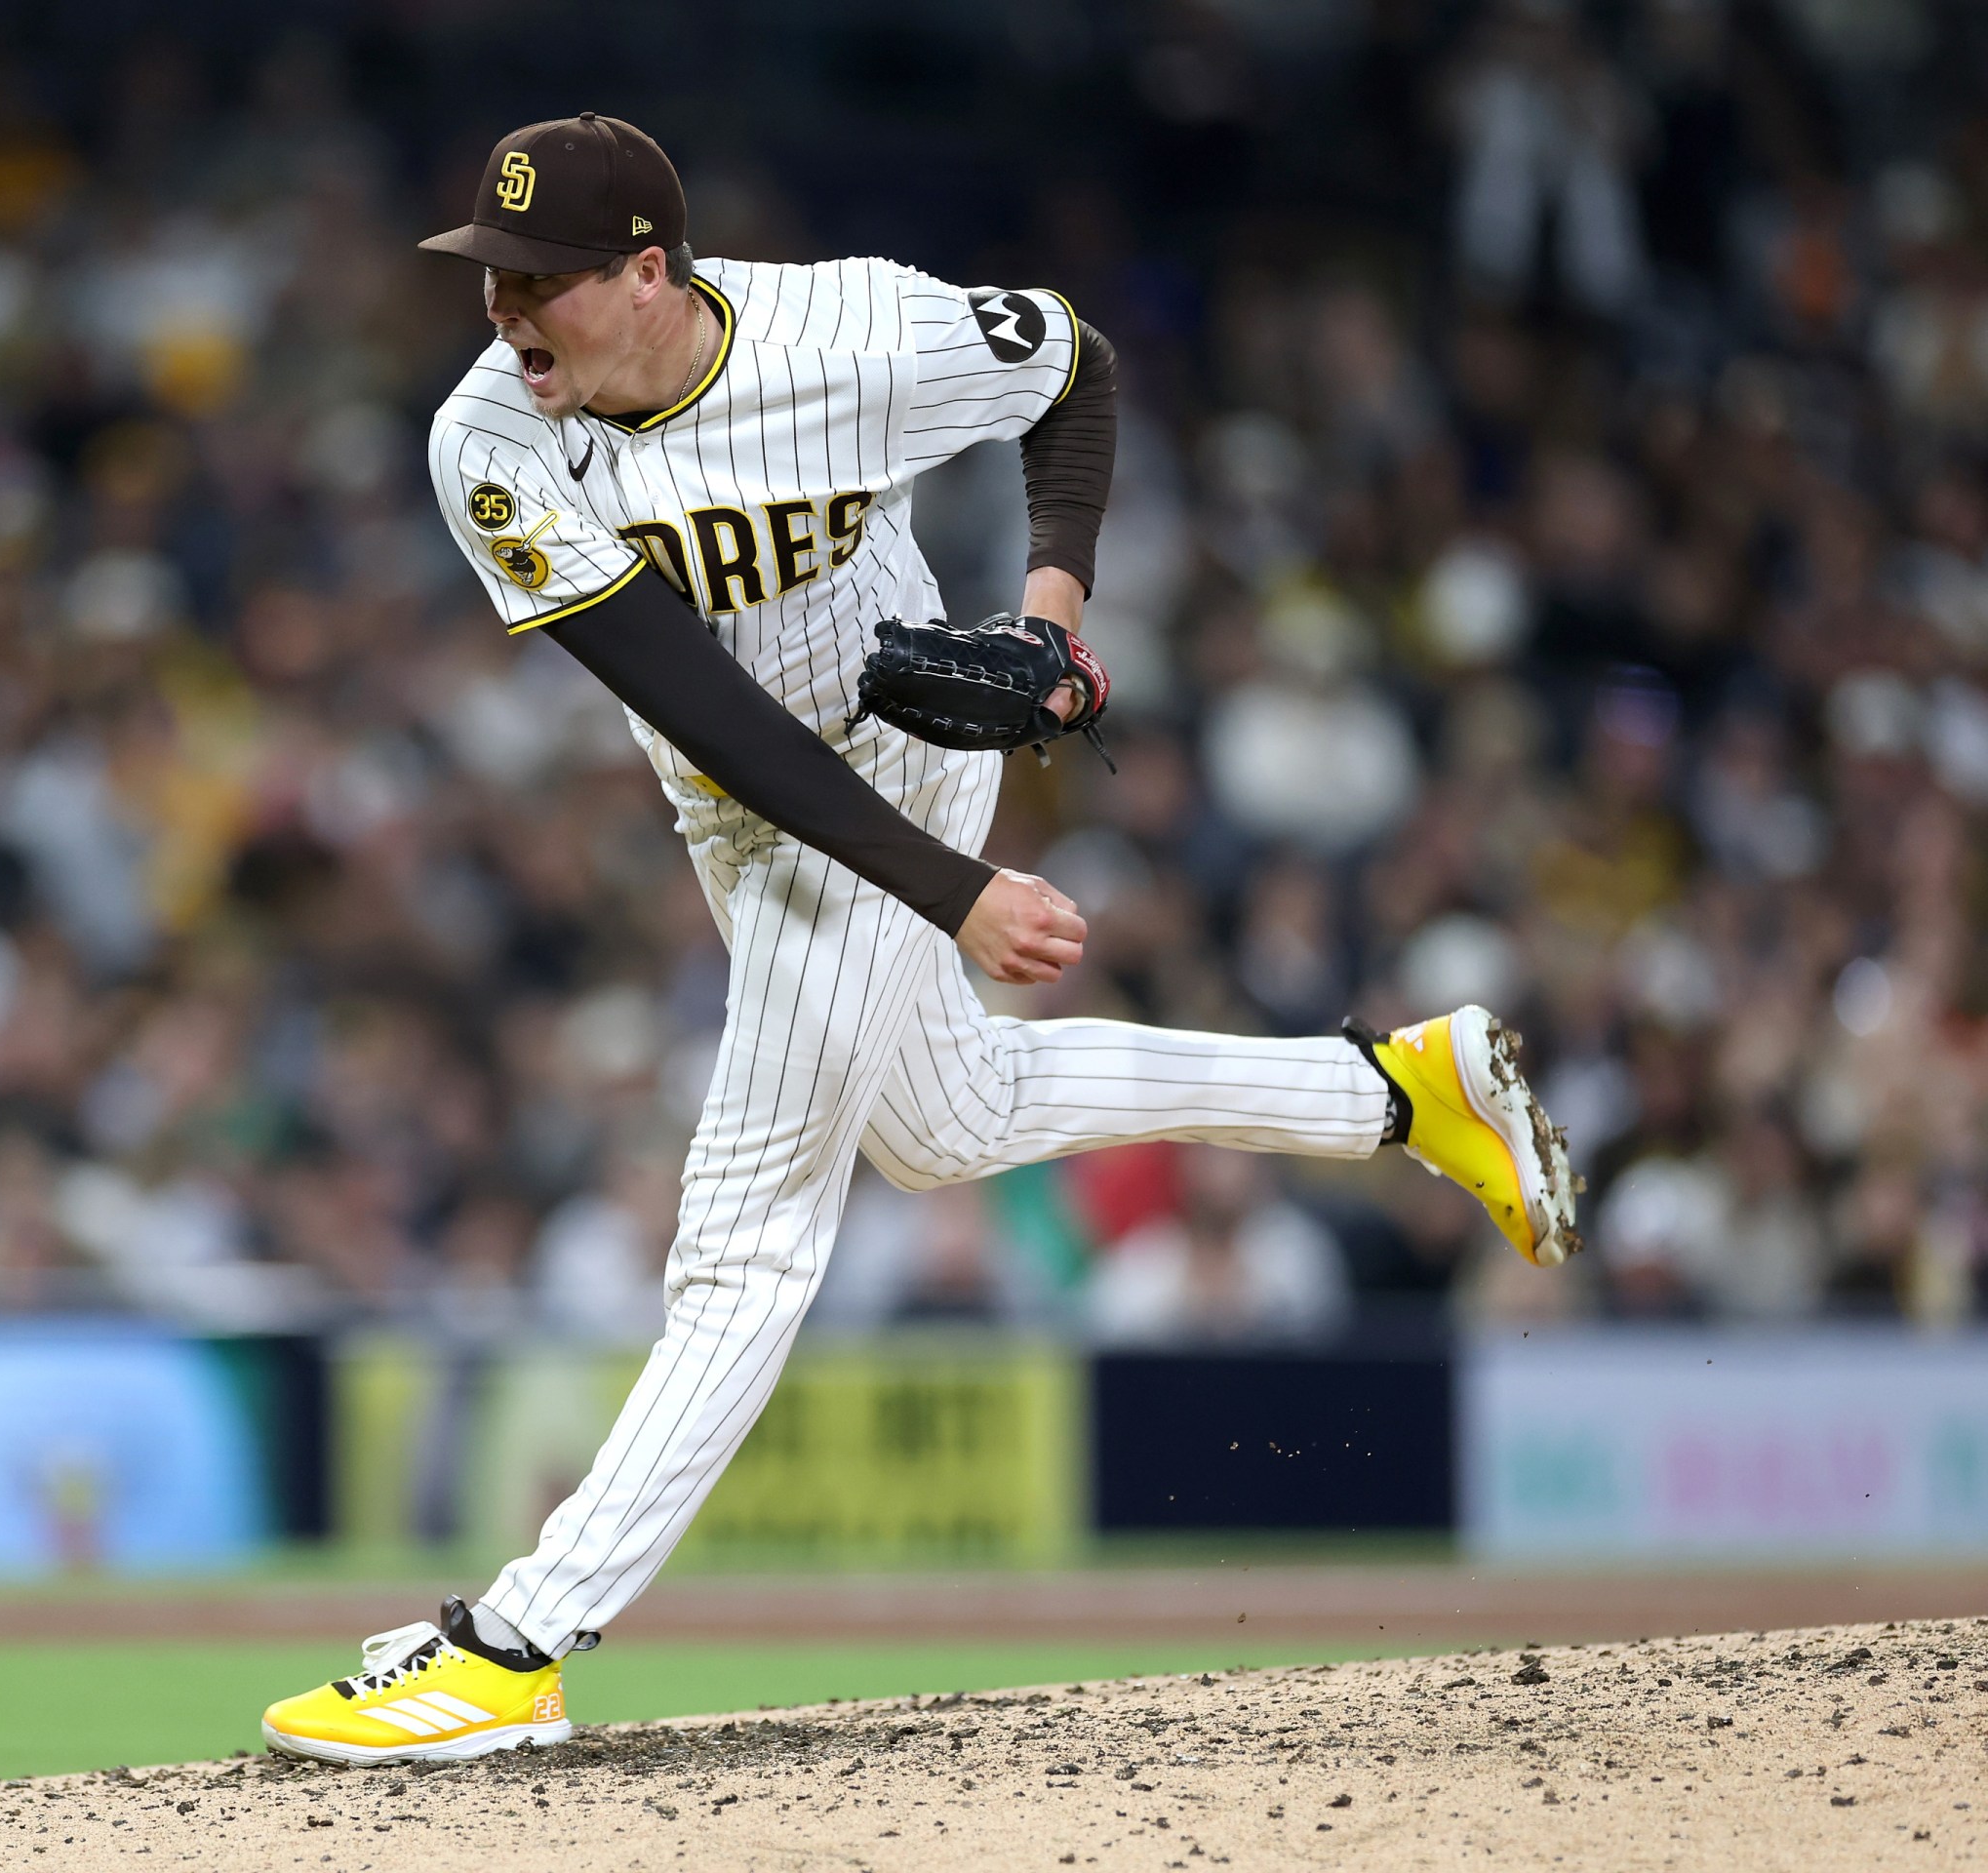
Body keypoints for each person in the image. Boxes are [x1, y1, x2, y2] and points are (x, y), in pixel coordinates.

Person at [262, 113, 1578, 1765]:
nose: (507, 314)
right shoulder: (492, 441)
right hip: (744, 792)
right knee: (941, 1125)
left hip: (893, 743)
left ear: (652, 273)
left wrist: (1050, 611)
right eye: (490, 279)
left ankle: (518, 1640)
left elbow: (1076, 368)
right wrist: (954, 899)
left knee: (746, 1230)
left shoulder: (854, 336)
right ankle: (1397, 1090)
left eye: (543, 281)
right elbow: (702, 712)